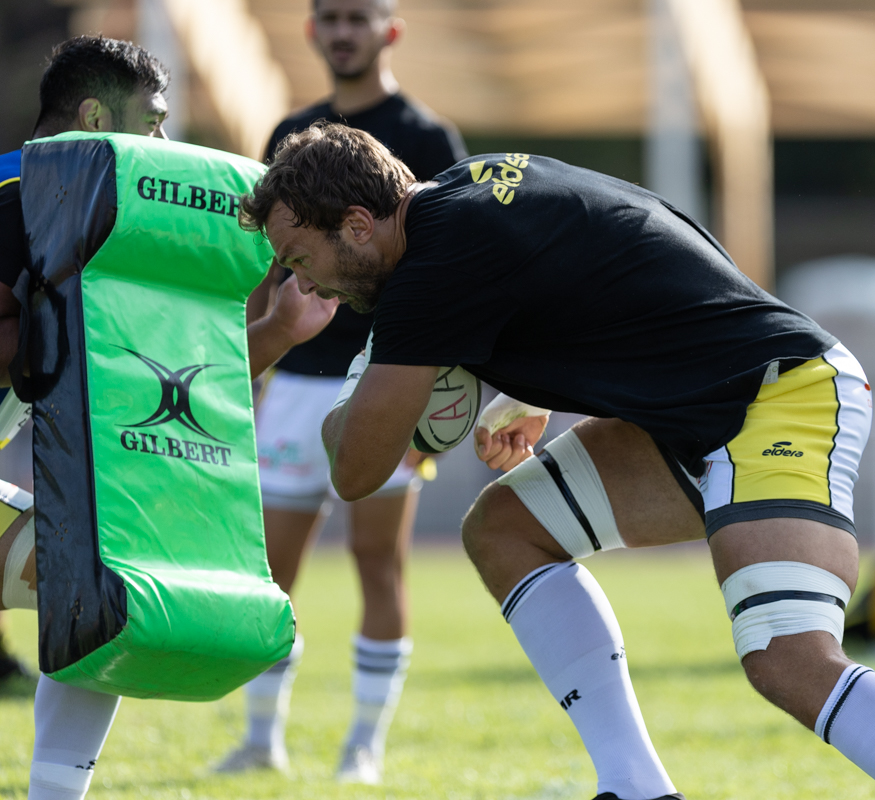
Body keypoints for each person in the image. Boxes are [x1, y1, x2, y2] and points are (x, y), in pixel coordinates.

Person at [239, 121, 875, 800]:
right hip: (695, 410)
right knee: (506, 529)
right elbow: (620, 240)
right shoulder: (465, 193)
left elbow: (356, 470)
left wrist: (297, 341)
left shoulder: (435, 266)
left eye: (302, 258)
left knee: (789, 661)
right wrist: (525, 387)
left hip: (778, 395)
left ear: (361, 224)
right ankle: (634, 787)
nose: (304, 282)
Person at [0, 35, 336, 800]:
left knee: (102, 579)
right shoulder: (20, 199)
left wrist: (281, 329)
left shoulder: (90, 211)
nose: (162, 141)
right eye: (150, 120)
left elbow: (161, 385)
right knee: (92, 574)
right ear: (93, 115)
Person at [218, 0, 466, 782]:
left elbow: (443, 258)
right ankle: (262, 739)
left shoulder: (428, 136)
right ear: (312, 32)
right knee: (268, 572)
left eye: (358, 15)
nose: (342, 29)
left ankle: (364, 744)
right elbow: (266, 266)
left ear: (389, 29)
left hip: (387, 373)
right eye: (330, 16)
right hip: (292, 381)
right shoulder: (291, 134)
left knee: (377, 562)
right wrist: (251, 369)